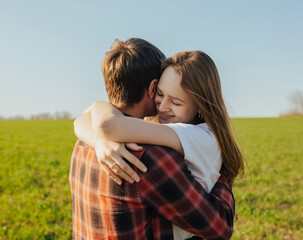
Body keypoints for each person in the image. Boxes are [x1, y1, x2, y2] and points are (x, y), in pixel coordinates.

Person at [69, 38, 235, 240]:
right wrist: (222, 180)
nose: (163, 107)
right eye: (160, 93)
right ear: (153, 87)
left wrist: (98, 138)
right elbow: (219, 228)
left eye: (175, 101)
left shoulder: (82, 144)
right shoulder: (153, 157)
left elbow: (85, 122)